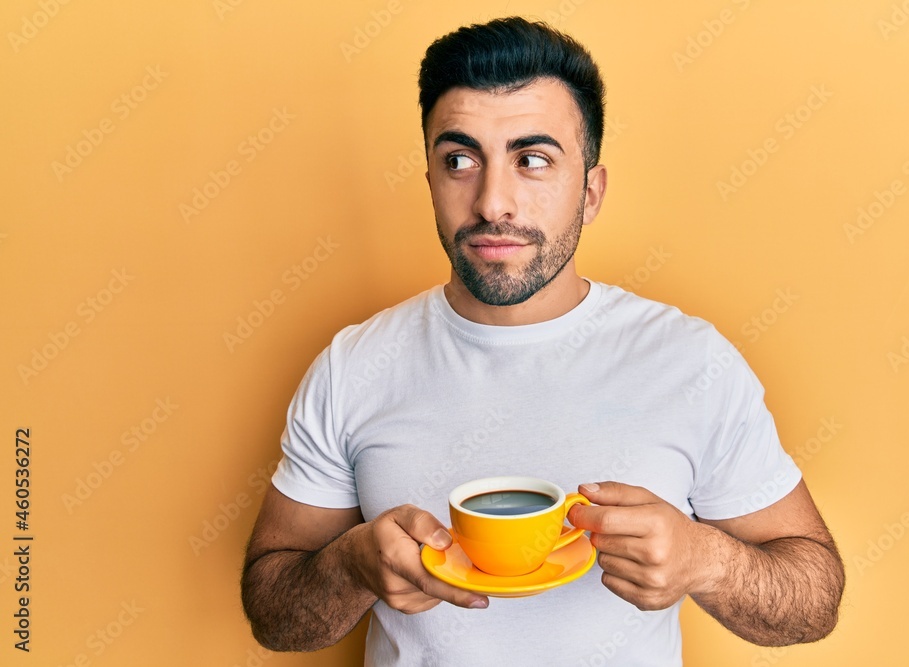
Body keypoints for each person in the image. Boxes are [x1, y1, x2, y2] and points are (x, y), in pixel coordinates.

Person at [240, 16, 845, 666]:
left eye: (532, 159)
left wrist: (708, 561)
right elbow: (272, 610)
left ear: (590, 193)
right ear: (431, 183)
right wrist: (349, 566)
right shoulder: (353, 366)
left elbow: (815, 597)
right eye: (460, 160)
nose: (493, 201)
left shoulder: (691, 362)